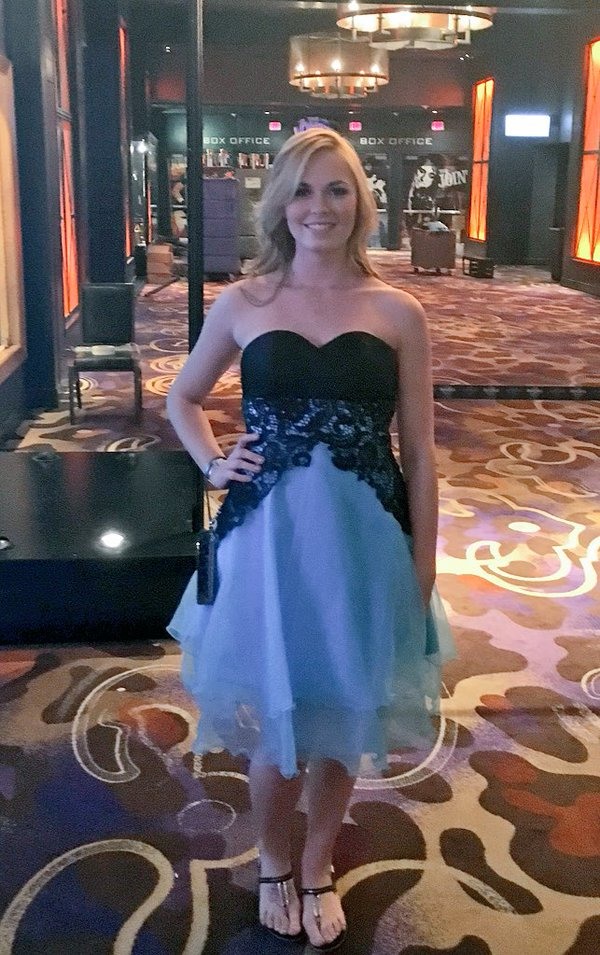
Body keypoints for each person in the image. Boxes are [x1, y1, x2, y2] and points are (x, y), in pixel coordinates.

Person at [166, 127, 454, 951]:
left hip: (365, 545)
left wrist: (423, 565)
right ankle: (272, 858)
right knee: (275, 719)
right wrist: (213, 463)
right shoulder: (245, 302)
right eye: (301, 190)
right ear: (278, 204)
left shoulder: (399, 311)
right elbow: (183, 398)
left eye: (336, 189)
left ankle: (319, 858)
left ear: (361, 201)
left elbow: (420, 452)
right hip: (268, 543)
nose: (318, 207)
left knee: (344, 714)